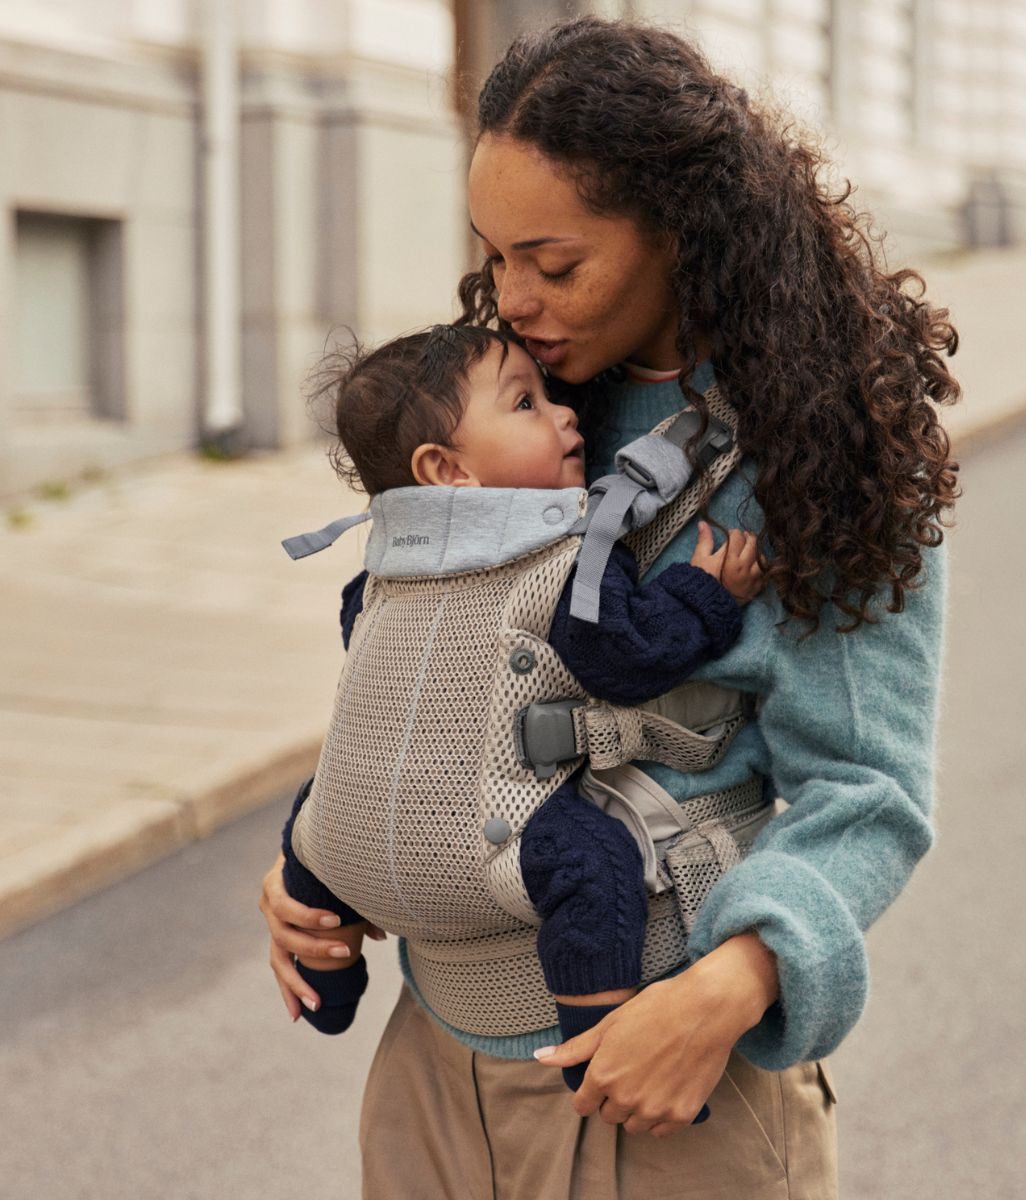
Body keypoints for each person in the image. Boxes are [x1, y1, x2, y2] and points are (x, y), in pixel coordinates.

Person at [259, 17, 959, 1197]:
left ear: (680, 230)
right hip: (433, 1074)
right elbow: (415, 657)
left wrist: (728, 989)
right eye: (494, 257)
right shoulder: (518, 407)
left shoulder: (820, 446)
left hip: (663, 1082)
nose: (513, 300)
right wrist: (321, 865)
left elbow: (868, 792)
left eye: (554, 263)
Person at [280, 325, 764, 1122]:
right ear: (448, 471)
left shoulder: (377, 572)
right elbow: (625, 655)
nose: (565, 413)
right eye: (526, 404)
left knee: (313, 817)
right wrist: (706, 597)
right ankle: (602, 1054)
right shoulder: (566, 559)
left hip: (338, 838)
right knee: (594, 864)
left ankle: (322, 985)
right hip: (489, 834)